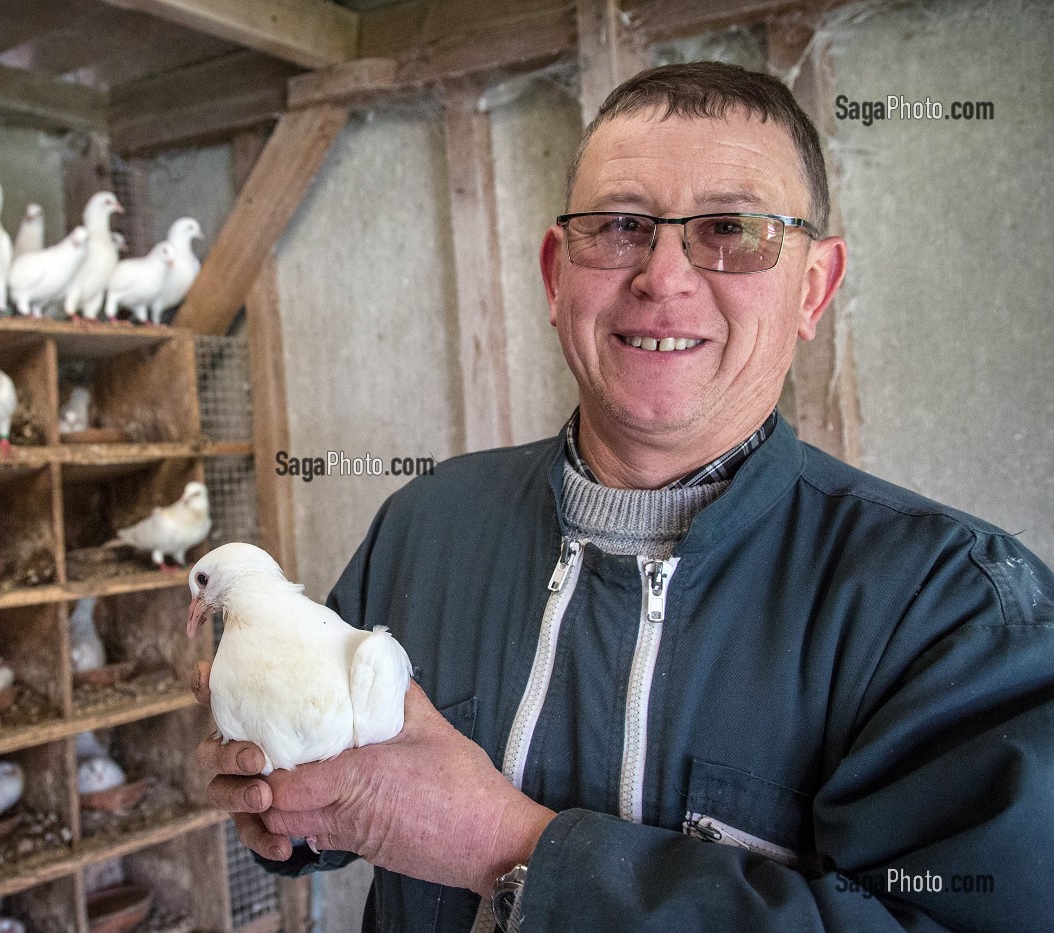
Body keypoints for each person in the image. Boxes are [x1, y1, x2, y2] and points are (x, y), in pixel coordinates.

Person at [193, 61, 1054, 932]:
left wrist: (501, 842)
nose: (664, 276)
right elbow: (347, 786)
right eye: (619, 226)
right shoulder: (427, 524)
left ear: (814, 288)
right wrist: (285, 802)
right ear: (555, 274)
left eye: (732, 227)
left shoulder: (955, 610)